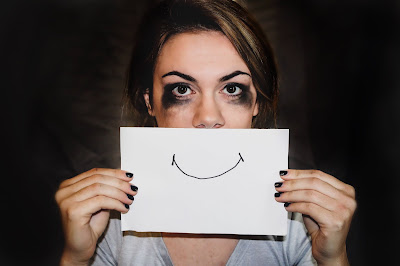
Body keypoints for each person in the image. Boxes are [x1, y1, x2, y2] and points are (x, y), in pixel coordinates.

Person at [55, 0, 357, 265]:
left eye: (232, 88)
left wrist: (332, 259)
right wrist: (76, 258)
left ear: (257, 103)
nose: (208, 117)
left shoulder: (301, 222)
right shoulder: (109, 222)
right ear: (150, 101)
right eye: (182, 89)